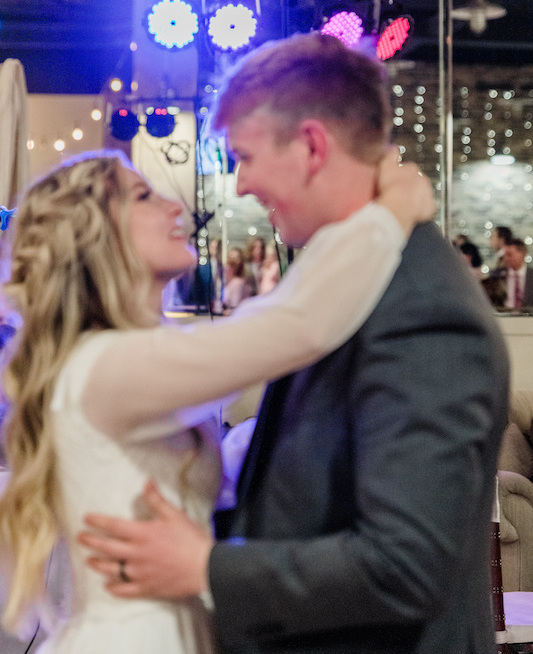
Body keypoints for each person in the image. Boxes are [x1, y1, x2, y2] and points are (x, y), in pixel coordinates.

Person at [80, 34, 509, 654]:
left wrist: (205, 567)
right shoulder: (343, 285)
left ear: (311, 146)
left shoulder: (420, 310)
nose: (242, 184)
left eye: (246, 156)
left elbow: (405, 564)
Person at [0, 145, 433, 654]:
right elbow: (298, 325)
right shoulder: (104, 363)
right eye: (144, 196)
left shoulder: (129, 357)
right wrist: (390, 213)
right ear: (93, 234)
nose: (175, 207)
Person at [502, 238, 533, 310]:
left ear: (523, 255)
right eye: (504, 255)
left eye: (509, 255)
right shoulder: (497, 275)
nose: (506, 259)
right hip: (504, 315)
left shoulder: (531, 275)